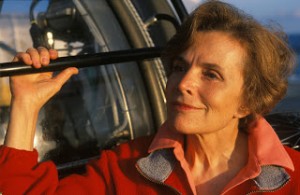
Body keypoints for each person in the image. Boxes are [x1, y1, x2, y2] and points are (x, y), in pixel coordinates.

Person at [0, 0, 299, 194]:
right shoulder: (123, 167)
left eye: (211, 74)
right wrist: (26, 105)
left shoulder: (294, 178)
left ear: (248, 100)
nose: (183, 83)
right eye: (179, 67)